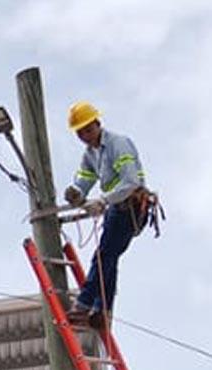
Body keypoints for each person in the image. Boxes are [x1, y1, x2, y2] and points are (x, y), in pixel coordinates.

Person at [63, 101, 150, 330]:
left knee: (103, 257)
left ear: (97, 124)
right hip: (116, 209)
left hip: (130, 207)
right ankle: (102, 311)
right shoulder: (90, 154)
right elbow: (85, 178)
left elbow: (131, 181)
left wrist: (102, 200)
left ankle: (83, 305)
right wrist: (77, 193)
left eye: (88, 129)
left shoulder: (117, 144)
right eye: (80, 132)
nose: (85, 135)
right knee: (108, 258)